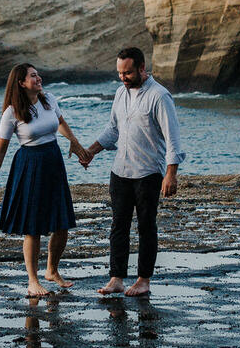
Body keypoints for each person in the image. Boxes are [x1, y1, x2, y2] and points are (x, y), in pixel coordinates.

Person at [77, 47, 185, 297]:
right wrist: (91, 151)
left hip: (148, 173)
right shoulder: (120, 94)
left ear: (142, 69)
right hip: (120, 171)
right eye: (119, 73)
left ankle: (144, 280)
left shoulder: (159, 96)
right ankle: (116, 278)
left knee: (146, 227)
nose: (122, 77)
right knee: (118, 226)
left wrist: (171, 174)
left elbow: (173, 139)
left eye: (127, 73)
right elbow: (113, 129)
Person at [0, 63, 89, 297]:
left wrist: (74, 141)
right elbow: (0, 150)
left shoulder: (48, 99)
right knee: (34, 227)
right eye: (33, 76)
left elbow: (60, 122)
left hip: (53, 160)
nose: (38, 77)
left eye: (38, 74)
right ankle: (33, 280)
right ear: (21, 82)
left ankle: (52, 271)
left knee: (62, 223)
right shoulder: (12, 112)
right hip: (30, 165)